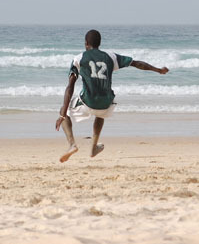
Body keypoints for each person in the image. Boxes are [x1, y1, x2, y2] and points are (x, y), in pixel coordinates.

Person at [55, 29, 169, 163]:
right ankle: (93, 147)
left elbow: (70, 86)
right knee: (101, 113)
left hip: (88, 102)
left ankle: (72, 145)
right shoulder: (111, 56)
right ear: (99, 43)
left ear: (86, 44)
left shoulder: (79, 59)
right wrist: (158, 70)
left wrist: (63, 112)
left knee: (65, 114)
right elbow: (137, 63)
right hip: (106, 103)